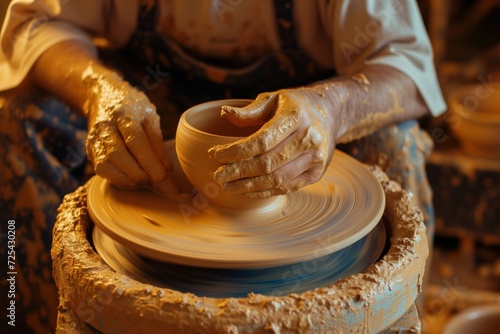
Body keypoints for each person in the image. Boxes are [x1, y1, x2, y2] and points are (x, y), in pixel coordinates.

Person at [0, 0, 446, 332]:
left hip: (301, 116)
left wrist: (334, 109)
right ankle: (35, 317)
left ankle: (388, 317)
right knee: (19, 123)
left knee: (395, 145)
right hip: (149, 107)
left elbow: (407, 67)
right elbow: (34, 24)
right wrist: (98, 91)